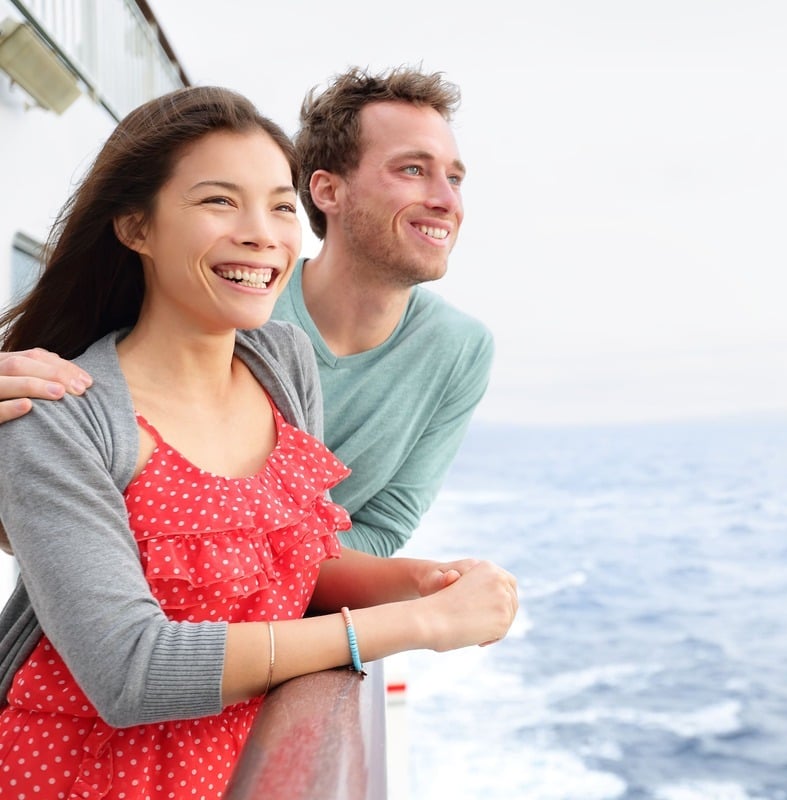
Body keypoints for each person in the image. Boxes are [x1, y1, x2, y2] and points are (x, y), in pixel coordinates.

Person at [0, 86, 517, 798]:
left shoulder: (282, 361)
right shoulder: (58, 412)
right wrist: (419, 621)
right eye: (219, 201)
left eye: (279, 205)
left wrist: (425, 579)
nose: (261, 233)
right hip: (83, 775)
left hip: (237, 761)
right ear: (135, 227)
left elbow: (296, 555)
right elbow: (130, 670)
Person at [0, 66, 492, 557]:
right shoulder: (220, 297)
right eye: (412, 169)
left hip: (289, 616)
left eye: (454, 178)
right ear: (326, 191)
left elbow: (381, 527)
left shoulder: (460, 348)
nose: (447, 200)